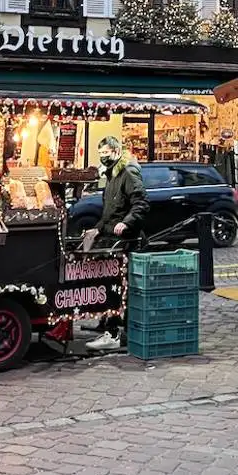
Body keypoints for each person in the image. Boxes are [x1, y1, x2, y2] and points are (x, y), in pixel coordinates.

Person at [85, 136, 149, 353]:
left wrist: (126, 222)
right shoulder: (112, 175)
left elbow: (141, 204)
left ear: (115, 151)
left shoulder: (129, 172)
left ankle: (117, 334)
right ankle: (110, 326)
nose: (103, 158)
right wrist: (98, 228)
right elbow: (109, 212)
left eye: (105, 154)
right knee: (111, 284)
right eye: (100, 154)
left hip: (127, 242)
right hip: (112, 239)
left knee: (122, 288)